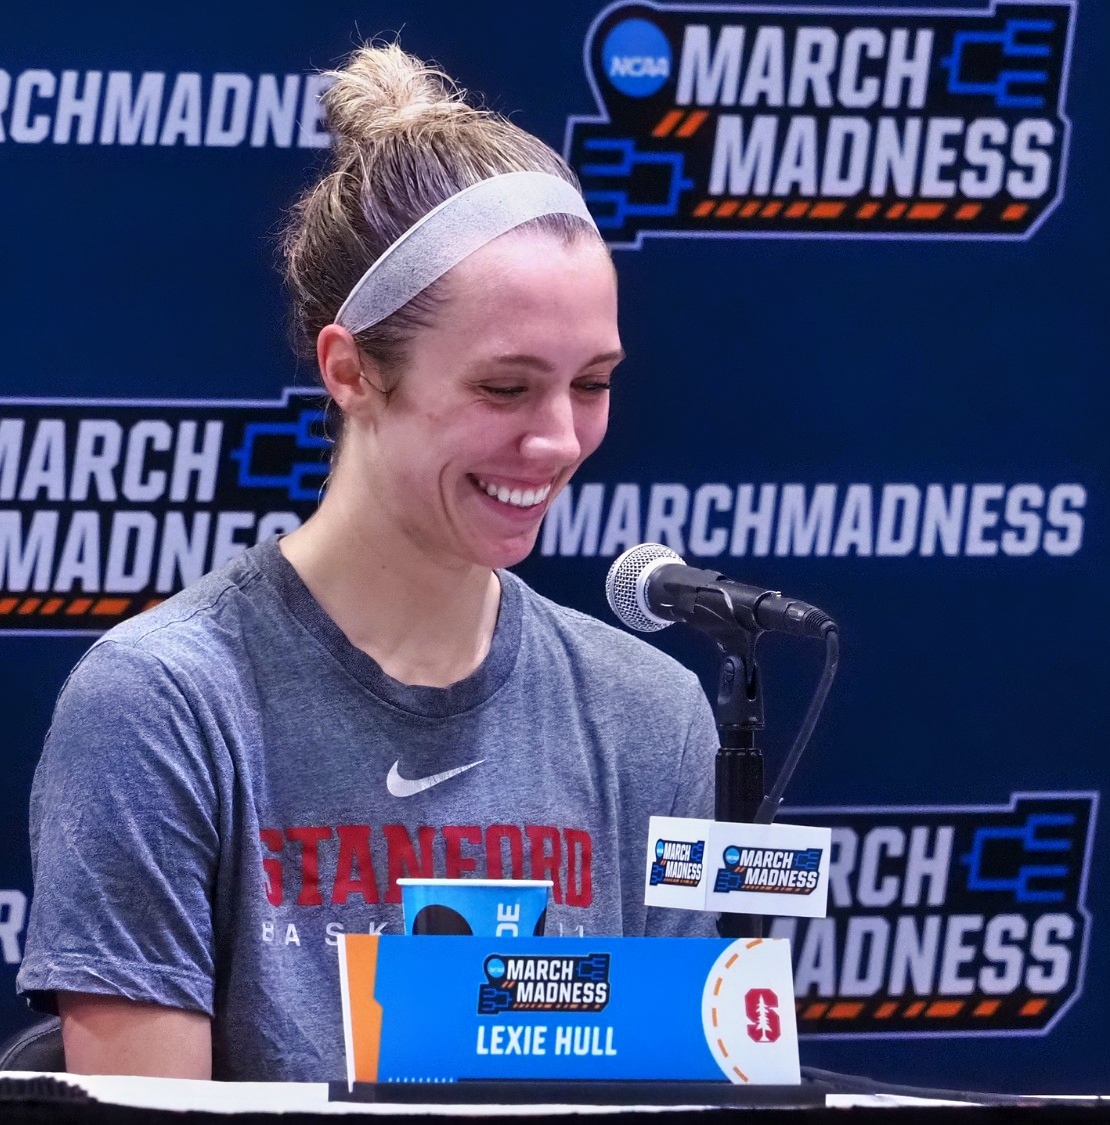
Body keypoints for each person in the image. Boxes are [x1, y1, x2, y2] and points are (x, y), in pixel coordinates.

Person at [17, 44, 717, 1081]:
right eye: (505, 388)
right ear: (351, 372)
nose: (561, 440)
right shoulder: (164, 702)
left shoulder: (651, 713)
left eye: (594, 382)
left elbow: (665, 1087)